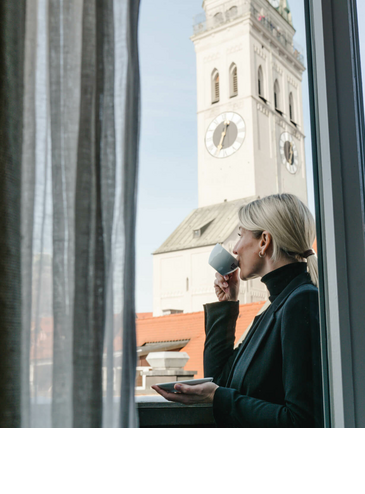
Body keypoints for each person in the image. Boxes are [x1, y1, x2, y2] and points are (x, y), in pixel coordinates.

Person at [152, 194, 324, 427]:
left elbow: (301, 420)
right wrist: (227, 304)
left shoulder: (300, 302)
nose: (235, 247)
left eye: (241, 235)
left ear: (264, 242)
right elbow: (221, 379)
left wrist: (218, 397)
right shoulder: (276, 306)